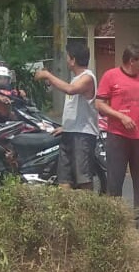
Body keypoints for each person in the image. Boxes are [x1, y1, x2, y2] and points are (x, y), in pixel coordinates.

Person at [97, 44, 139, 226]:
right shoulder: (110, 76)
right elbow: (99, 104)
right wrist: (121, 116)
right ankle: (115, 217)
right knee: (115, 177)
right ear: (132, 61)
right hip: (118, 135)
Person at [35, 39, 98, 192]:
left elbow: (71, 89)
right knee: (64, 178)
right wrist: (66, 127)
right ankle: (67, 212)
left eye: (68, 57)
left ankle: (87, 212)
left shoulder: (88, 77)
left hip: (83, 136)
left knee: (83, 179)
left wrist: (48, 76)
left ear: (73, 59)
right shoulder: (75, 78)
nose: (66, 60)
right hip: (70, 133)